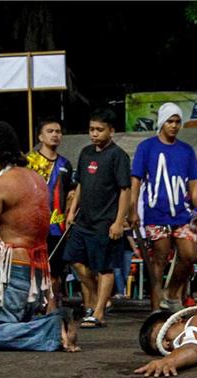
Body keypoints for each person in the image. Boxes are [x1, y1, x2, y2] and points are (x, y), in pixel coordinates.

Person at [0, 121, 80, 352]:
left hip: (11, 270)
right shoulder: (37, 179)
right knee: (9, 326)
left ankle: (51, 329)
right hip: (36, 271)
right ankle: (50, 326)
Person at [129, 103, 197, 312]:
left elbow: (194, 182)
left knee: (189, 255)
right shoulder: (146, 147)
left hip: (182, 214)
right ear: (162, 122)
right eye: (170, 121)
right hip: (156, 212)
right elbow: (136, 180)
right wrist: (133, 210)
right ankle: (155, 310)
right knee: (159, 259)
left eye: (178, 121)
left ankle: (172, 293)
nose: (174, 125)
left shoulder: (186, 150)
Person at [64, 109, 130, 328]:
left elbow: (124, 190)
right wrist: (72, 210)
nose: (94, 134)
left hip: (106, 221)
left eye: (99, 130)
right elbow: (80, 184)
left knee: (105, 267)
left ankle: (99, 312)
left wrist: (119, 221)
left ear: (111, 131)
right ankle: (97, 296)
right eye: (92, 129)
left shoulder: (118, 155)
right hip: (84, 220)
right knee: (73, 259)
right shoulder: (85, 153)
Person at [27, 117, 74, 305]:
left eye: (58, 132)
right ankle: (33, 304)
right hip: (33, 225)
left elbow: (71, 191)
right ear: (40, 136)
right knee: (32, 269)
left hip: (57, 226)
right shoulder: (29, 161)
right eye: (50, 131)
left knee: (55, 271)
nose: (55, 135)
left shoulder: (66, 163)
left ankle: (53, 307)